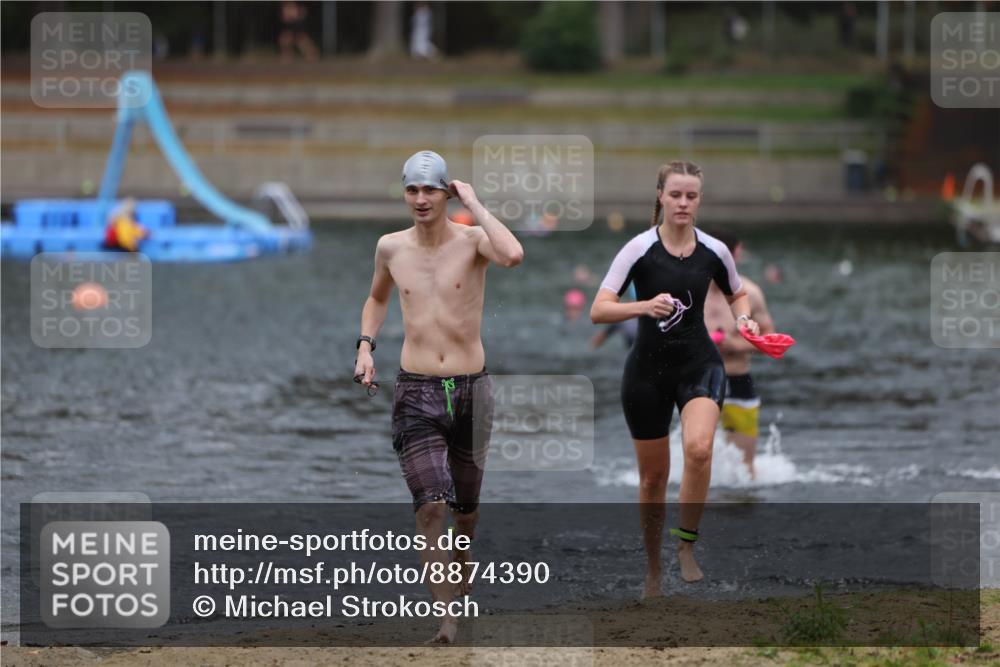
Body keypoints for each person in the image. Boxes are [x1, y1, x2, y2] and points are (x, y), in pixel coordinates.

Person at [354, 150, 523, 643]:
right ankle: (447, 620)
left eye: (431, 189)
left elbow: (513, 255)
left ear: (447, 192)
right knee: (430, 505)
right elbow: (377, 297)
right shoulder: (390, 247)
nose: (421, 199)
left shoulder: (474, 241)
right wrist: (366, 347)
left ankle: (464, 552)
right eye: (413, 190)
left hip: (472, 391)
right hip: (416, 391)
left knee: (465, 509)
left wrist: (475, 202)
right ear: (404, 193)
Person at [590, 161, 759, 598]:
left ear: (699, 200)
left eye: (692, 196)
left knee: (699, 449)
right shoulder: (638, 249)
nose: (684, 203)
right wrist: (642, 306)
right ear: (661, 196)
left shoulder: (714, 251)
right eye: (676, 195)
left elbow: (737, 291)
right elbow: (599, 309)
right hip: (645, 373)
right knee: (652, 480)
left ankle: (686, 546)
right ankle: (651, 567)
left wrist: (745, 320)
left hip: (699, 363)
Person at [702, 230, 775, 480]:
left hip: (738, 380)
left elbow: (770, 342)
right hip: (698, 383)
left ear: (735, 256)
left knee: (746, 469)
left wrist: (736, 346)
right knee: (697, 460)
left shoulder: (750, 294)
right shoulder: (687, 293)